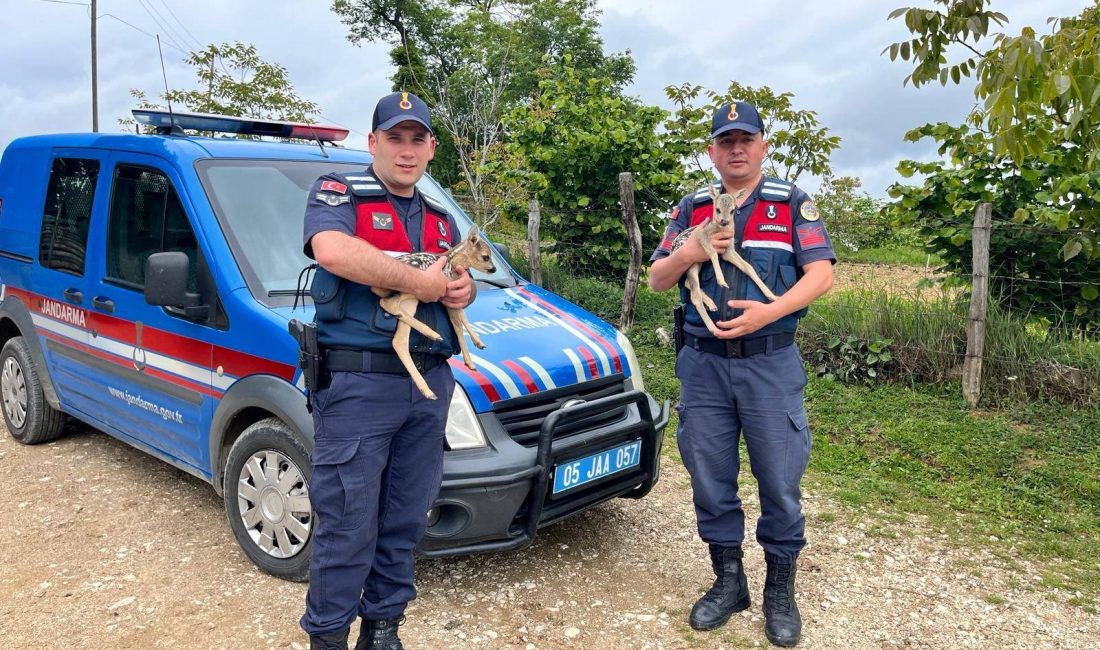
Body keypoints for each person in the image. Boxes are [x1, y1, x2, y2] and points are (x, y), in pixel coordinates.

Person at [647, 100, 835, 647]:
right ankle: (729, 582)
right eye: (725, 141)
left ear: (762, 146)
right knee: (710, 477)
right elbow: (659, 279)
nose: (736, 149)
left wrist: (769, 312)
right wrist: (693, 247)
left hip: (769, 364)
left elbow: (819, 276)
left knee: (779, 480)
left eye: (745, 139)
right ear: (711, 151)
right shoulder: (691, 207)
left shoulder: (791, 203)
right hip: (703, 366)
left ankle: (781, 588)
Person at [299, 91, 476, 650]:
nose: (406, 150)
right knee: (348, 524)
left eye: (416, 139)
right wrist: (417, 282)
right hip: (360, 385)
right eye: (394, 138)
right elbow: (330, 250)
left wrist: (459, 289)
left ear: (431, 148)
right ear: (372, 143)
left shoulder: (442, 219)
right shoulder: (340, 193)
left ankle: (383, 629)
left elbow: (450, 287)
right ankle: (328, 636)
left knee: (405, 519)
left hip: (427, 385)